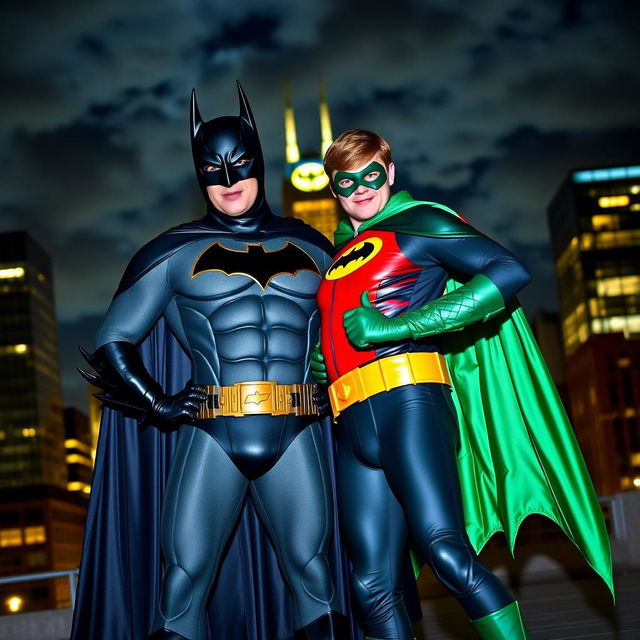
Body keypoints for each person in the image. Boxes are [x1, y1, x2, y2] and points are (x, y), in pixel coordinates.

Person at [71, 84, 351, 640]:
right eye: (212, 170)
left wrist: (337, 386)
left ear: (260, 160)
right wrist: (160, 402)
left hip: (296, 431)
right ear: (198, 174)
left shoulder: (317, 247)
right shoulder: (174, 252)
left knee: (315, 580)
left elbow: (351, 334)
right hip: (213, 431)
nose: (227, 182)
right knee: (182, 584)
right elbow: (113, 341)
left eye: (239, 165)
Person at [312, 129, 613, 640]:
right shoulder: (339, 255)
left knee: (446, 550)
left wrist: (398, 327)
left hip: (409, 402)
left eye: (371, 175)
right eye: (347, 181)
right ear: (334, 190)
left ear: (391, 172)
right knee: (371, 583)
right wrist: (329, 361)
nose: (361, 189)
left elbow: (507, 271)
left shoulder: (421, 222)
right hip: (352, 422)